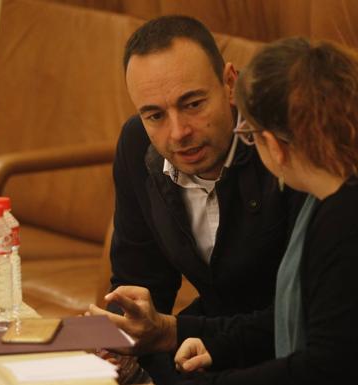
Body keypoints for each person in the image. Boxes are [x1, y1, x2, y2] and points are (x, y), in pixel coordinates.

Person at [94, 38, 358, 384]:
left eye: (251, 134)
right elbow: (313, 321)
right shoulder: (355, 179)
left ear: (275, 145)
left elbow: (326, 368)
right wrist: (200, 340)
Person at [89, 15, 303, 383]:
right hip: (203, 346)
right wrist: (124, 336)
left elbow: (303, 312)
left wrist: (174, 332)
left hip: (288, 350)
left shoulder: (284, 146)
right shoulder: (137, 144)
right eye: (154, 114)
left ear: (230, 84)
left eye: (192, 104)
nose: (178, 133)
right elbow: (139, 281)